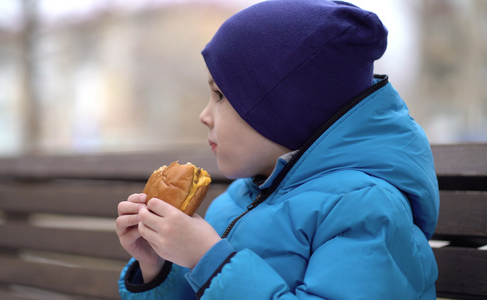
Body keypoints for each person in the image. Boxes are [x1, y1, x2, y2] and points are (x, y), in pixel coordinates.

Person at [115, 0, 439, 299]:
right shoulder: (235, 201)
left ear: (286, 110)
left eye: (221, 96)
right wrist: (157, 267)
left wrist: (208, 259)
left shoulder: (365, 209)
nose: (204, 115)